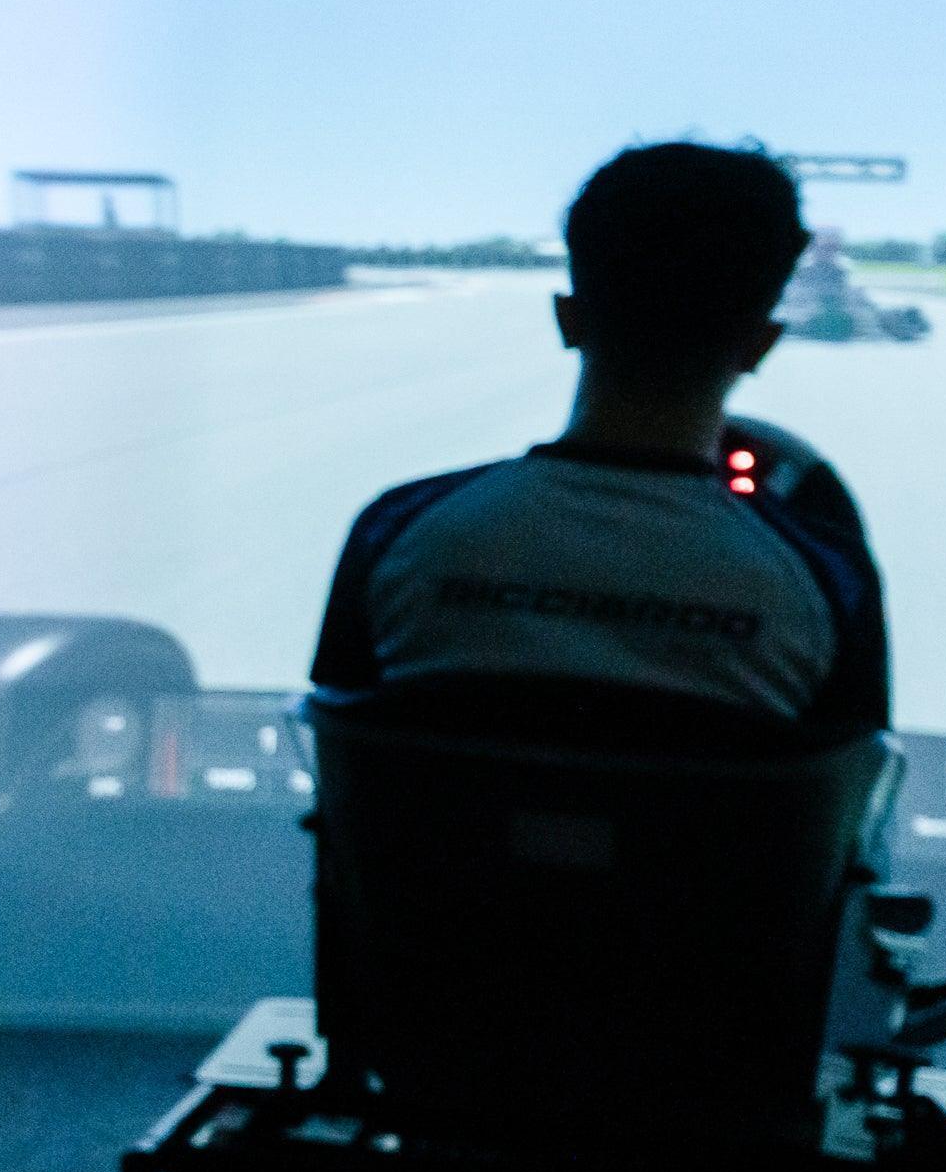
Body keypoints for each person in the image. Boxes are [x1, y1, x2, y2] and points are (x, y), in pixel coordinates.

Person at [311, 139, 888, 749]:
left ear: (568, 318)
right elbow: (851, 797)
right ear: (760, 345)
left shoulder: (396, 535)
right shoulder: (824, 580)